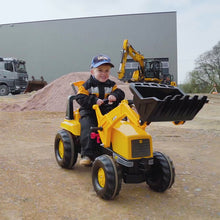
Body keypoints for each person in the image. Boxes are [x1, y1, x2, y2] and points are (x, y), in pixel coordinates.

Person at [76, 54, 125, 166]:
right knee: (89, 127)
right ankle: (87, 154)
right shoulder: (87, 85)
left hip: (106, 112)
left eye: (107, 71)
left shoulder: (111, 85)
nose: (104, 73)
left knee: (118, 126)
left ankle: (117, 149)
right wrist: (94, 100)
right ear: (93, 72)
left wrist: (114, 95)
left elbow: (120, 93)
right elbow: (80, 98)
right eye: (100, 70)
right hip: (90, 112)